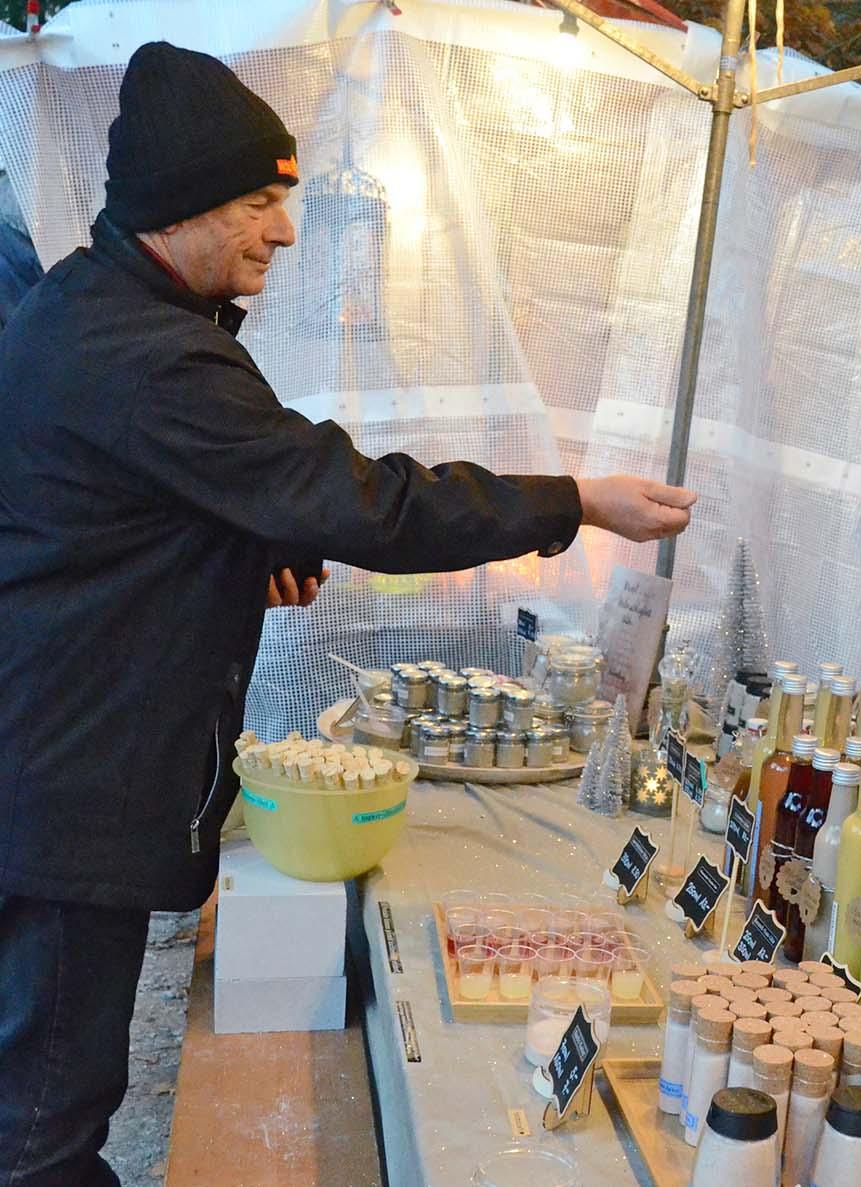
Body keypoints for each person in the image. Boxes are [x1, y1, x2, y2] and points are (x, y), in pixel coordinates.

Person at [0, 43, 696, 1186]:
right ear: (182, 206)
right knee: (43, 1122)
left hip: (52, 758)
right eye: (261, 202)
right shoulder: (146, 356)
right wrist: (576, 500)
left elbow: (125, 514)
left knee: (46, 1088)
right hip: (72, 782)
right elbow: (369, 502)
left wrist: (243, 545)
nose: (283, 230)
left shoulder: (96, 313)